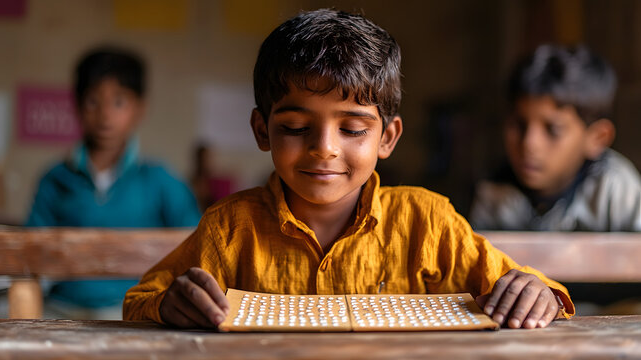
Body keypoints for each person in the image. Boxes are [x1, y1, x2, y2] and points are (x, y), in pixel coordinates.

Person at [124, 9, 574, 329]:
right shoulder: (229, 228)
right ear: (262, 131)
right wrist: (170, 306)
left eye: (352, 129)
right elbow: (141, 300)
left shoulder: (428, 222)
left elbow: (529, 288)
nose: (323, 149)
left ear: (387, 138)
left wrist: (538, 294)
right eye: (297, 127)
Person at [26, 46, 201, 319]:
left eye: (119, 102)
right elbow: (30, 252)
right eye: (94, 102)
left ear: (140, 109)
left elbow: (197, 243)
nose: (106, 115)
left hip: (135, 312)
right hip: (61, 311)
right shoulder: (55, 179)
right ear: (77, 106)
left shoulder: (160, 181)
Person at [469, 44, 641, 231]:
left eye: (553, 130)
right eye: (519, 125)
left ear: (597, 138)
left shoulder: (615, 190)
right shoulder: (495, 194)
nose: (529, 144)